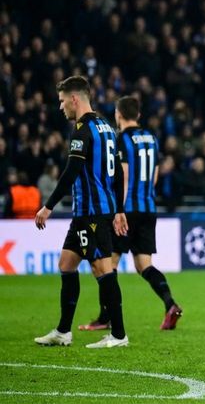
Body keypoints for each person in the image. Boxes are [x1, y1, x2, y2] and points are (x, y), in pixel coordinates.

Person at [33, 75, 130, 348]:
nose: (60, 106)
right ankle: (63, 331)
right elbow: (118, 175)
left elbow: (71, 172)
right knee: (67, 264)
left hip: (92, 213)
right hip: (91, 212)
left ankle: (119, 334)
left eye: (62, 101)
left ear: (74, 99)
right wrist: (119, 209)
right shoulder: (107, 127)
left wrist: (48, 206)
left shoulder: (82, 129)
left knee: (102, 269)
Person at [79, 96, 182, 332]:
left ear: (118, 114)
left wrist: (119, 210)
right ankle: (170, 304)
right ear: (138, 114)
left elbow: (123, 175)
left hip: (127, 210)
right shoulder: (152, 139)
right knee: (144, 265)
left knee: (109, 263)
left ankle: (105, 317)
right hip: (148, 208)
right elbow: (154, 177)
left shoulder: (121, 139)